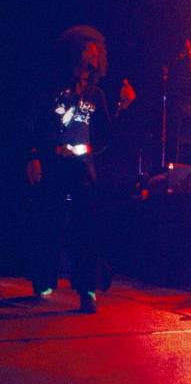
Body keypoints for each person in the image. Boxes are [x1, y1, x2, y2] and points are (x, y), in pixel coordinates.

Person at [25, 26, 136, 313]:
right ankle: (44, 278)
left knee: (87, 225)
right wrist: (33, 156)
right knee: (50, 221)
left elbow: (107, 135)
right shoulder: (50, 88)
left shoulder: (95, 94)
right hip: (53, 161)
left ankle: (87, 288)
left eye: (97, 53)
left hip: (82, 164)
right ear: (75, 53)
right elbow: (31, 125)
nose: (94, 57)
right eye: (89, 51)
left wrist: (123, 105)